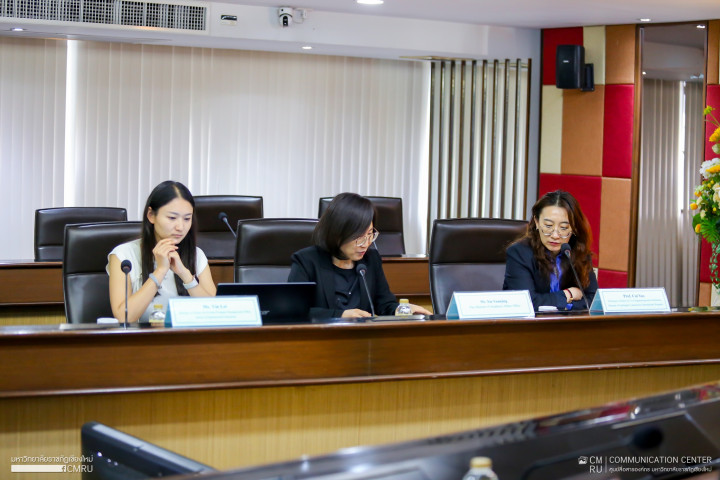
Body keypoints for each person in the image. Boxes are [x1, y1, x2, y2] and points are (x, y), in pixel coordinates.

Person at [288, 192, 431, 319]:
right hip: (321, 338)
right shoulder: (306, 261)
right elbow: (295, 311)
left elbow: (384, 304)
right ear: (336, 233)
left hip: (363, 338)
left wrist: (403, 309)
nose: (365, 244)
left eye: (369, 234)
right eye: (358, 237)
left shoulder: (370, 259)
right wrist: (340, 316)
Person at [107, 181, 216, 323]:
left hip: (188, 335)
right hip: (144, 336)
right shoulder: (124, 256)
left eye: (187, 219)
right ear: (151, 215)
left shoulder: (196, 255)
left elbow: (215, 312)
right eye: (172, 218)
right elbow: (124, 317)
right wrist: (160, 271)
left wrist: (185, 275)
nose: (180, 227)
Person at [503, 190, 597, 311]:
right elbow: (526, 303)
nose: (555, 235)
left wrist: (565, 306)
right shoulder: (520, 253)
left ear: (574, 228)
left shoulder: (578, 251)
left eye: (563, 228)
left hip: (569, 322)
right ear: (537, 222)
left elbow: (593, 301)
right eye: (548, 226)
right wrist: (567, 294)